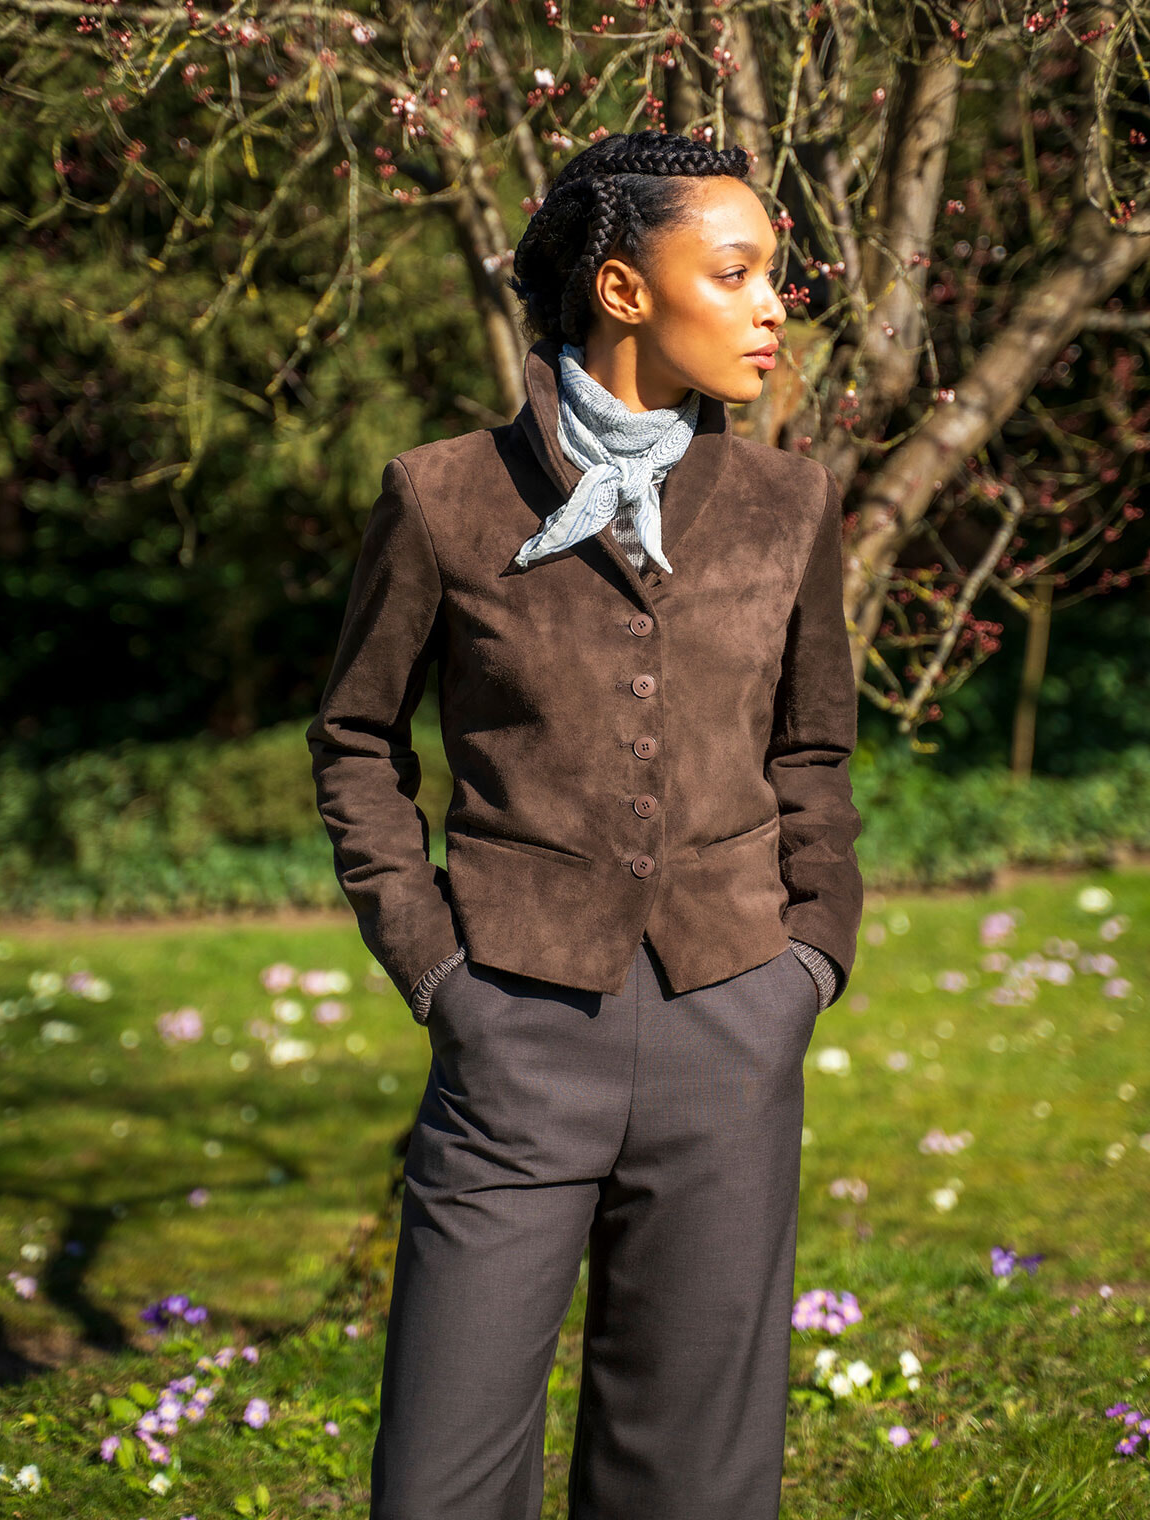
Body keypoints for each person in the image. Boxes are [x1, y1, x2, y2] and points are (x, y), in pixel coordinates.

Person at [306, 128, 864, 1520]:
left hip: (735, 1021)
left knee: (693, 1480)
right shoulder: (441, 497)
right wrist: (438, 971)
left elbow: (815, 749)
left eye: (773, 277)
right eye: (734, 275)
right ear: (625, 290)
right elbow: (355, 740)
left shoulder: (791, 505)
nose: (771, 307)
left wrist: (811, 961)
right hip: (512, 1026)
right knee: (440, 1478)